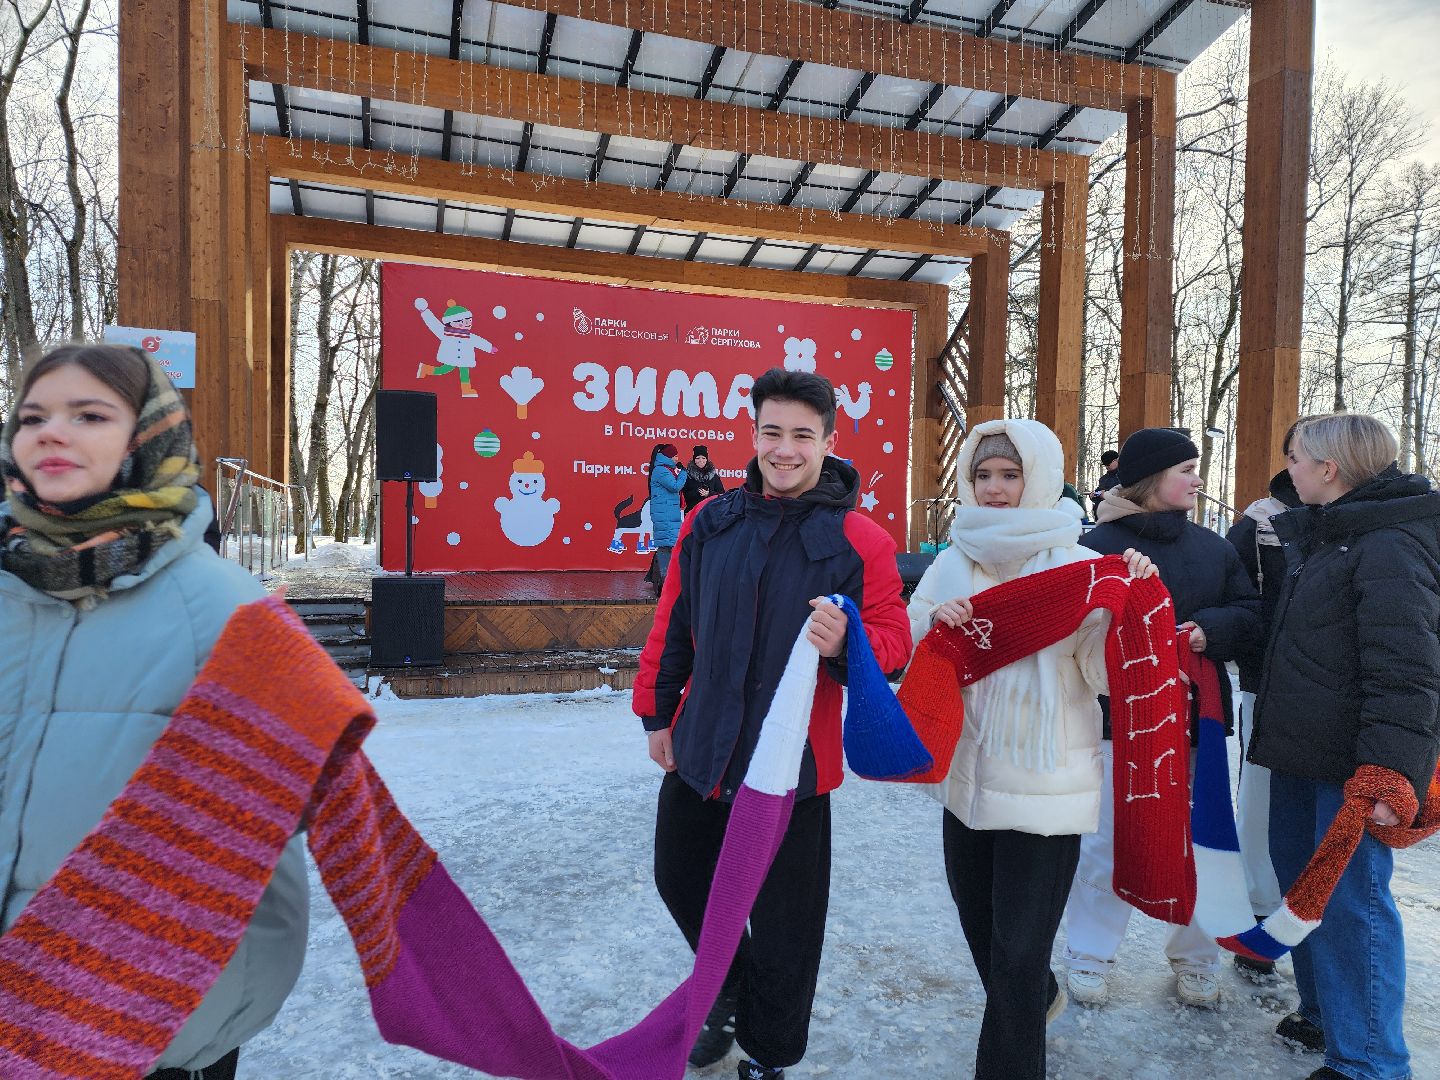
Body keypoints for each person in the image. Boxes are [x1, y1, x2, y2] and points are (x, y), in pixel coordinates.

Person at [0, 344, 308, 1080]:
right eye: (33, 415)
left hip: (160, 1007)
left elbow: (303, 794)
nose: (52, 432)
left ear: (150, 436)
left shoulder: (227, 606)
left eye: (90, 414)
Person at [633, 367, 911, 1080]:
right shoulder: (708, 521)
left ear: (828, 440)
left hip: (793, 768)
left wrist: (850, 641)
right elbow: (675, 627)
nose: (785, 450)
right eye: (772, 433)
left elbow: (893, 640)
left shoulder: (862, 539)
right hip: (702, 748)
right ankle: (724, 985)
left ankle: (770, 1051)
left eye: (802, 436)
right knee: (677, 878)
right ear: (753, 434)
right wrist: (657, 714)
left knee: (788, 930)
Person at [905, 419, 1156, 1080]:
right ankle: (1039, 994)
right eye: (983, 474)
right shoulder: (952, 558)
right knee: (990, 946)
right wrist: (934, 625)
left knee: (1015, 957)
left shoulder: (1078, 566)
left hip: (1049, 787)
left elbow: (1106, 677)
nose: (994, 488)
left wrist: (1123, 608)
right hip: (965, 784)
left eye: (1009, 475)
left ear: (1038, 478)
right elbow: (911, 644)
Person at [1248, 413, 1440, 1080]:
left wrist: (1389, 774)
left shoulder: (1388, 545)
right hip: (1302, 753)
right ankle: (1327, 1015)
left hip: (1352, 766)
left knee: (1352, 902)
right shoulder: (1331, 539)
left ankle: (1370, 1062)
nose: (1288, 470)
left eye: (1295, 456)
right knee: (1303, 887)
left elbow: (1408, 669)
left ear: (1329, 469)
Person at [1063, 426, 1262, 1009]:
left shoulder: (1214, 548)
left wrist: (1208, 632)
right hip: (1111, 722)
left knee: (1197, 842)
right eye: (1186, 469)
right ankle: (1089, 954)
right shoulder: (1092, 544)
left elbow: (1251, 614)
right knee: (1105, 842)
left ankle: (1198, 959)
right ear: (1152, 478)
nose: (1198, 479)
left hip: (1196, 721)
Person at [1223, 417, 1312, 986]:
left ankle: (1317, 943)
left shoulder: (1369, 524)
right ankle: (1260, 925)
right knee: (1261, 805)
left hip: (1344, 703)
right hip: (1270, 689)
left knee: (1326, 822)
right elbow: (1237, 606)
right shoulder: (1259, 525)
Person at [647, 442, 684, 582]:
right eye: (674, 456)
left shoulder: (666, 469)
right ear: (667, 457)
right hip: (665, 514)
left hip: (668, 513)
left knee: (669, 546)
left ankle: (664, 579)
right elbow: (675, 486)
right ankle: (664, 580)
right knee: (666, 547)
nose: (677, 459)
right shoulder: (661, 470)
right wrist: (684, 473)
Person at [681, 443, 726, 514]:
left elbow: (721, 495)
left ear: (707, 459)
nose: (701, 460)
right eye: (698, 458)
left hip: (709, 513)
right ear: (694, 460)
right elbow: (683, 495)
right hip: (692, 513)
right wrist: (697, 492)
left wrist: (709, 493)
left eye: (703, 458)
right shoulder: (688, 475)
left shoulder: (713, 476)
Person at [1089, 449, 1121, 514]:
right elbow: (1099, 491)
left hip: (1117, 513)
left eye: (1108, 464)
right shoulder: (1103, 479)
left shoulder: (1125, 476)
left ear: (1116, 460)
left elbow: (1124, 493)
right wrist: (1093, 495)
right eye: (1105, 465)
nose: (1106, 466)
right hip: (1101, 514)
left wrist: (1106, 494)